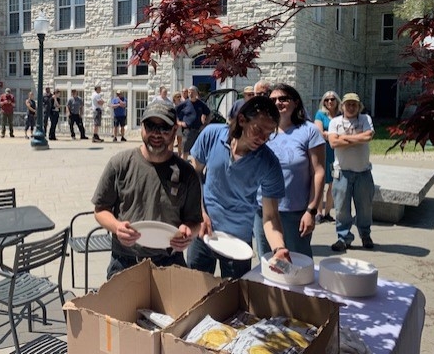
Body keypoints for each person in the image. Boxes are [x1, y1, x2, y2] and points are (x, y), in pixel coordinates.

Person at [92, 102, 203, 279]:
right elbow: (100, 210)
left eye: (164, 127)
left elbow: (195, 221)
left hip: (169, 262)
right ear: (142, 127)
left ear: (174, 131)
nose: (156, 133)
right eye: (150, 126)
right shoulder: (120, 163)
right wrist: (117, 227)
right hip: (125, 261)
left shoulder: (186, 173)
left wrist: (188, 231)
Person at [187, 96, 290, 279]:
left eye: (269, 134)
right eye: (258, 129)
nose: (262, 139)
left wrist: (279, 248)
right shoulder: (211, 134)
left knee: (235, 297)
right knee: (194, 290)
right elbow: (194, 176)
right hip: (203, 231)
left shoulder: (269, 163)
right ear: (242, 120)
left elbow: (271, 216)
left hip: (238, 240)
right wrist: (199, 212)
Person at [253, 84, 325, 258]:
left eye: (283, 99)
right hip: (263, 210)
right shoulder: (263, 131)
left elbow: (319, 172)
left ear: (296, 103)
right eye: (273, 100)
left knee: (297, 266)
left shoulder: (309, 131)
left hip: (295, 213)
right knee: (268, 263)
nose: (278, 103)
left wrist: (311, 210)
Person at [328, 93, 376, 252]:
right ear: (342, 106)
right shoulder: (335, 122)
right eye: (348, 104)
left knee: (365, 208)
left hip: (363, 172)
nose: (351, 107)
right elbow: (333, 142)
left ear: (359, 106)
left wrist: (345, 140)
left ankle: (365, 235)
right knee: (341, 209)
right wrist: (358, 139)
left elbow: (369, 136)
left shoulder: (365, 119)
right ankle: (343, 238)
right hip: (342, 173)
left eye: (354, 104)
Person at [314, 90, 341, 223]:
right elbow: (318, 131)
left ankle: (328, 212)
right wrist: (335, 136)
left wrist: (329, 135)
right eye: (327, 100)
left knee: (332, 184)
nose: (330, 102)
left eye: (332, 99)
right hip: (323, 151)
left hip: (337, 152)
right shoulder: (320, 114)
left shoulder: (341, 115)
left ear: (337, 101)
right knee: (320, 182)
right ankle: (318, 212)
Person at [176, 86, 211, 160]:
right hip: (187, 131)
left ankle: (195, 169)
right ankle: (184, 169)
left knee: (197, 152)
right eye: (189, 92)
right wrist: (179, 122)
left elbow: (208, 114)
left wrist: (205, 124)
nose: (190, 94)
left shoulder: (201, 104)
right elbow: (174, 113)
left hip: (198, 131)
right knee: (185, 151)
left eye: (192, 92)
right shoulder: (184, 104)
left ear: (196, 93)